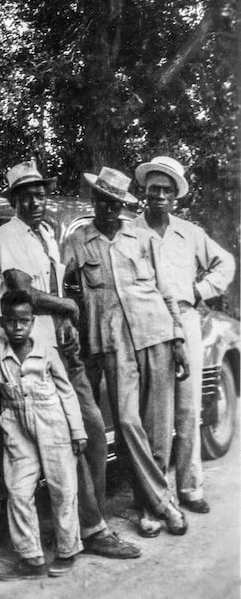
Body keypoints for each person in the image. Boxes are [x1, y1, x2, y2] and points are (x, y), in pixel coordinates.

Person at [0, 159, 140, 558]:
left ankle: (92, 524)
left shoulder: (46, 235)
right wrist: (70, 308)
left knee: (90, 426)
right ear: (15, 201)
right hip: (29, 355)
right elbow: (21, 292)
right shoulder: (8, 236)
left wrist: (66, 324)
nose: (36, 202)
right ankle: (91, 530)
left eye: (40, 194)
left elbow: (52, 283)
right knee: (69, 440)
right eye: (27, 196)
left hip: (58, 349)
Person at [62, 166, 190, 539]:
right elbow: (55, 279)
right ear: (93, 200)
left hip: (156, 334)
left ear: (122, 205)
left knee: (158, 427)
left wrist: (178, 338)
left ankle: (148, 508)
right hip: (113, 343)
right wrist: (66, 317)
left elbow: (166, 291)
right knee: (130, 424)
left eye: (114, 202)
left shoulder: (141, 236)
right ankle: (165, 503)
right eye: (101, 200)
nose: (106, 208)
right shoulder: (78, 240)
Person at [0, 289, 86, 580]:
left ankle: (67, 550)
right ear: (2, 322)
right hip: (17, 426)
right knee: (18, 492)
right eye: (11, 322)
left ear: (33, 321)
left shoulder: (47, 352)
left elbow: (66, 392)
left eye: (23, 321)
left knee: (63, 488)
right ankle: (32, 560)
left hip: (53, 423)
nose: (17, 328)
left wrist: (77, 431)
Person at [133, 155, 235, 515]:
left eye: (165, 190)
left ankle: (190, 488)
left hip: (187, 320)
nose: (158, 195)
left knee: (188, 409)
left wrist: (200, 290)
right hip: (149, 325)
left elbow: (226, 263)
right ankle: (157, 496)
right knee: (155, 416)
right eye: (152, 189)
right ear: (143, 193)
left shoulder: (189, 233)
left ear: (175, 197)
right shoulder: (132, 231)